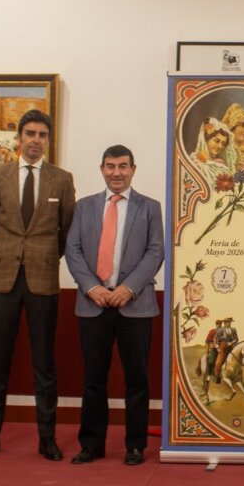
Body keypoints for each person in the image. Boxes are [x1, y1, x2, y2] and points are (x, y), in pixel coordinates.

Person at [0, 109, 75, 462]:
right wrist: (4, 254)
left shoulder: (62, 179)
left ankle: (47, 439)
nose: (35, 140)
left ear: (48, 139)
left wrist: (44, 257)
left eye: (42, 135)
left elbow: (67, 231)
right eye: (30, 134)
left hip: (43, 279)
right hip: (4, 279)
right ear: (19, 137)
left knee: (44, 364)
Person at [64, 144, 164, 466]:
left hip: (135, 305)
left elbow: (156, 251)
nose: (116, 172)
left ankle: (135, 445)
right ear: (102, 169)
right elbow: (73, 249)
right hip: (93, 303)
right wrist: (92, 287)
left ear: (133, 169)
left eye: (122, 166)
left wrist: (128, 288)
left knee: (137, 380)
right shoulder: (84, 207)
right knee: (93, 379)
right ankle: (92, 444)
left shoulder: (150, 207)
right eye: (110, 166)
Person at [194, 118, 232, 182]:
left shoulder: (221, 164)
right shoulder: (194, 160)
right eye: (216, 141)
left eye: (223, 143)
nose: (220, 146)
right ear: (206, 139)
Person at [213, 317, 240, 382]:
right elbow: (216, 338)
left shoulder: (233, 329)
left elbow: (236, 338)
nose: (229, 323)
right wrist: (217, 347)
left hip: (231, 346)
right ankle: (217, 376)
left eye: (230, 322)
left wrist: (232, 342)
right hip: (223, 346)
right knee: (219, 361)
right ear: (224, 323)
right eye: (227, 322)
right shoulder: (221, 330)